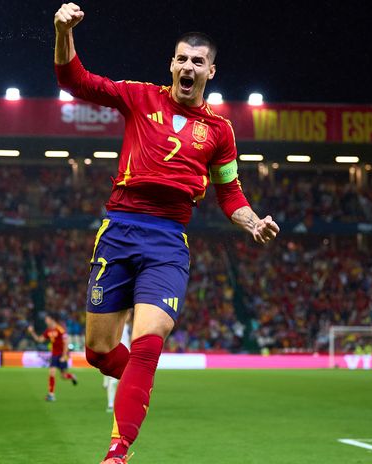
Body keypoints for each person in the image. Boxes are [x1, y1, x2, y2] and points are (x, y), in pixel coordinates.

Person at [53, 4, 280, 462]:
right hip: (119, 230)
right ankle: (141, 381)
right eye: (182, 59)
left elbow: (230, 192)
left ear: (211, 71)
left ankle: (117, 452)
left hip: (167, 241)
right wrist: (62, 31)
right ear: (171, 64)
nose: (188, 67)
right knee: (98, 352)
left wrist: (254, 222)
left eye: (198, 61)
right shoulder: (139, 97)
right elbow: (76, 81)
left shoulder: (220, 131)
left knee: (147, 342)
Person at [28, 314, 78, 402]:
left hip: (62, 355)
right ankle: (51, 395)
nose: (45, 321)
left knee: (63, 376)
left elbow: (66, 343)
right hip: (54, 355)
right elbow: (40, 340)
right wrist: (32, 332)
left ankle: (72, 376)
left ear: (52, 319)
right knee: (52, 373)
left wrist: (64, 356)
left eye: (47, 319)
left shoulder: (60, 329)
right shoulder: (48, 331)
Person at [103, 314, 131, 412]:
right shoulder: (112, 326)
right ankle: (111, 404)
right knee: (113, 381)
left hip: (127, 356)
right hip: (116, 355)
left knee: (126, 381)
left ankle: (125, 402)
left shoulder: (128, 327)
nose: (128, 316)